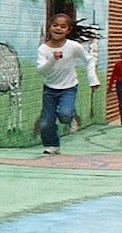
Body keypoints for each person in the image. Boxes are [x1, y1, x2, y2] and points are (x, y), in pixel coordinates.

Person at [35, 11, 101, 154]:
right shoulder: (43, 49)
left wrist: (93, 80)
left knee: (65, 115)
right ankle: (52, 145)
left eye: (63, 26)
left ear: (68, 30)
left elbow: (89, 59)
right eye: (55, 25)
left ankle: (70, 118)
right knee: (46, 121)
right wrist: (53, 59)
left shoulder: (73, 46)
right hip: (50, 89)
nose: (58, 29)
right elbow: (41, 71)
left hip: (69, 88)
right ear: (50, 27)